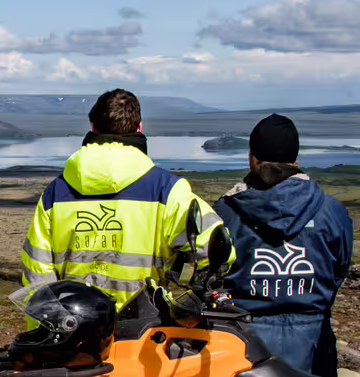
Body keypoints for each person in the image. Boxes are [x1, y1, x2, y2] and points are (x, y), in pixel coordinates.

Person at [20, 88, 228, 310]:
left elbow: (38, 274)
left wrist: (47, 332)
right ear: (140, 127)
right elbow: (217, 251)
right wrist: (183, 274)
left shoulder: (55, 193)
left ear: (93, 128)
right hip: (145, 332)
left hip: (76, 331)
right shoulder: (168, 190)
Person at [211, 114, 353, 376]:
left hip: (244, 346)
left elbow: (213, 276)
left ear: (252, 157)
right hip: (313, 344)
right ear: (295, 159)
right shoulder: (332, 210)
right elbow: (338, 271)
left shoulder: (225, 211)